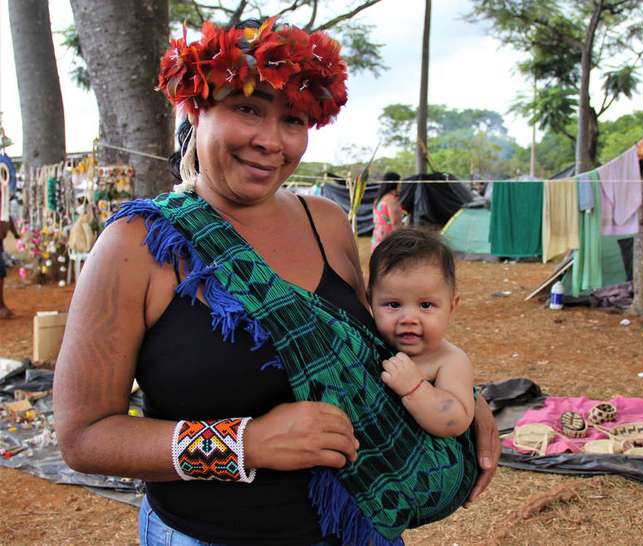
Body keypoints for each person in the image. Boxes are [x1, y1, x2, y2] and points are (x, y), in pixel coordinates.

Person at [53, 18, 500, 546]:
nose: (271, 141)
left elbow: (364, 354)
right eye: (247, 108)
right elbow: (83, 437)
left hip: (361, 528)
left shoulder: (325, 222)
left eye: (293, 119)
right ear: (196, 109)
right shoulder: (137, 245)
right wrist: (247, 443)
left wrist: (460, 396)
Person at [369, 229, 474, 437]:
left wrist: (415, 388)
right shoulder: (369, 341)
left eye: (426, 305)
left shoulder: (450, 360)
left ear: (451, 307)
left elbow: (456, 421)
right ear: (369, 302)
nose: (408, 319)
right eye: (393, 304)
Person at [371, 171, 404, 251]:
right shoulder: (391, 200)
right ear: (394, 183)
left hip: (377, 239)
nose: (401, 185)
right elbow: (395, 223)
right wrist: (402, 241)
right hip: (389, 241)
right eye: (399, 182)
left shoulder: (378, 199)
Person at [0, 215, 19, 319]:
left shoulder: (4, 209)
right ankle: (1, 306)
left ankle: (1, 305)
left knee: (1, 273)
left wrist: (15, 233)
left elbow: (9, 218)